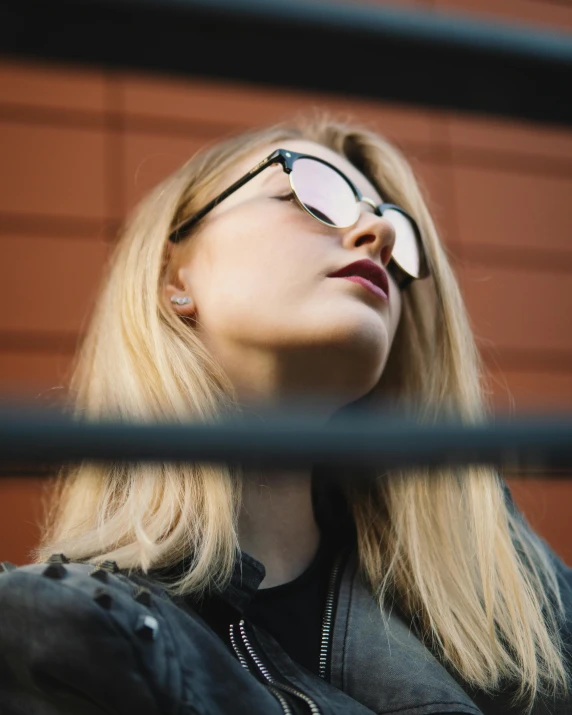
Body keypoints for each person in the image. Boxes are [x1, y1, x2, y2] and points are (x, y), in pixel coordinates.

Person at [0, 113, 570, 715]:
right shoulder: (63, 627)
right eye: (315, 191)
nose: (375, 230)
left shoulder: (497, 573)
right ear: (175, 277)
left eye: (391, 225)